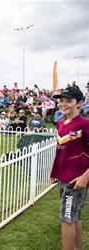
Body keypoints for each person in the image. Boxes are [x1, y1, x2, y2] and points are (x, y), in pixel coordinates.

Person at [49, 87, 89, 250]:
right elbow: (60, 151)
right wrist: (54, 171)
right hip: (63, 178)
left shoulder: (84, 124)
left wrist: (85, 176)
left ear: (79, 103)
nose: (64, 104)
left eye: (69, 101)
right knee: (74, 217)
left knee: (67, 219)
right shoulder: (60, 123)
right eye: (61, 100)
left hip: (76, 180)